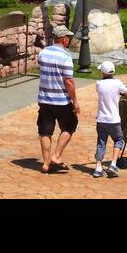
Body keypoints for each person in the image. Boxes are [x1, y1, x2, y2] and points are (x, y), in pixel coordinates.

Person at [37, 24, 79, 174]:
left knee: (45, 131)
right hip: (61, 101)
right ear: (63, 39)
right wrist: (75, 101)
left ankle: (46, 163)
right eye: (67, 37)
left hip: (44, 99)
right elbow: (68, 81)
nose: (69, 39)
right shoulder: (66, 57)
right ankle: (55, 156)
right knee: (69, 126)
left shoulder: (43, 53)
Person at [92, 61, 127, 178]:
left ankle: (98, 167)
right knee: (119, 139)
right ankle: (113, 164)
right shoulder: (118, 83)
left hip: (101, 119)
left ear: (103, 72)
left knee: (101, 142)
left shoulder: (98, 84)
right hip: (114, 120)